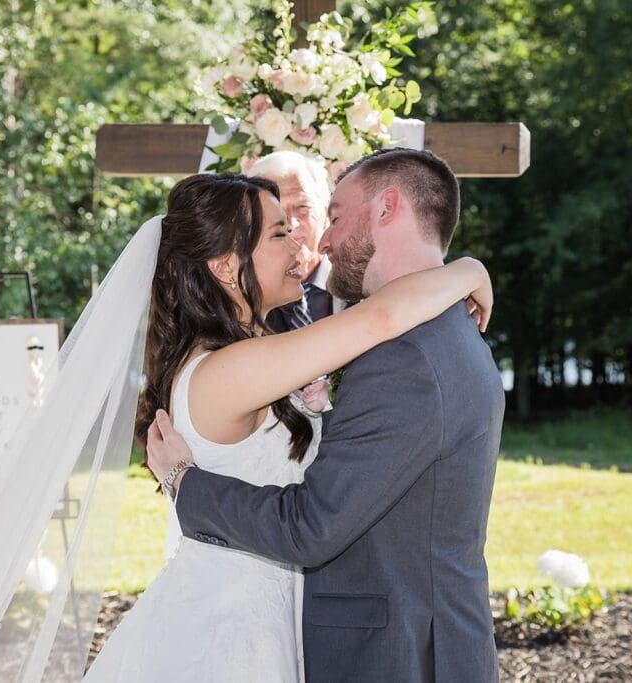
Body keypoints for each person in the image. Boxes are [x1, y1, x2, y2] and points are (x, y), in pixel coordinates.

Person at [84, 169, 492, 681]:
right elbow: (379, 320)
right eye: (279, 233)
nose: (303, 242)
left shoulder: (257, 356)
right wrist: (468, 270)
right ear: (227, 266)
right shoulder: (227, 369)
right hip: (228, 635)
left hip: (277, 617)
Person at [246, 151, 340, 332]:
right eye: (276, 212)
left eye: (302, 207)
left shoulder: (361, 281)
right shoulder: (242, 294)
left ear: (327, 211)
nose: (290, 224)